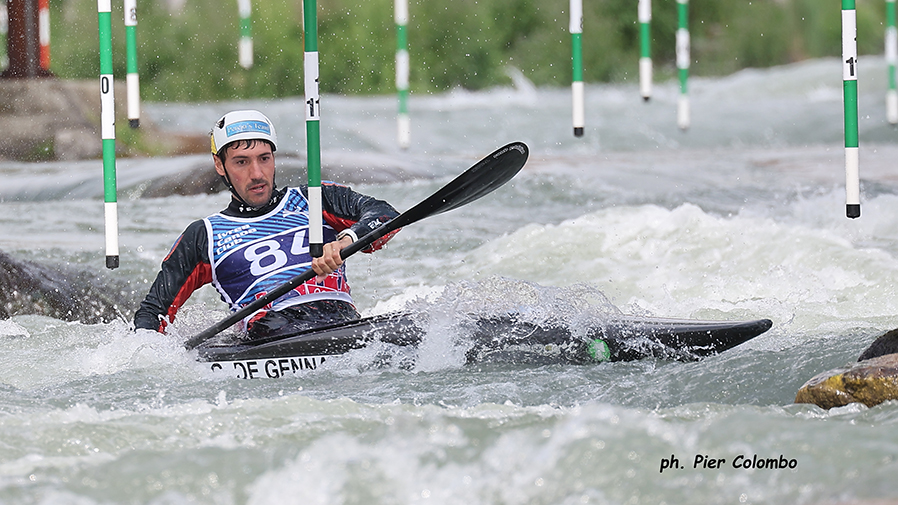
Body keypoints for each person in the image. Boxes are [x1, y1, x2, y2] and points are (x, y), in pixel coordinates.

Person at [133, 110, 400, 339]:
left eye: (264, 158)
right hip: (271, 334)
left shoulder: (315, 199)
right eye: (241, 162)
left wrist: (346, 241)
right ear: (219, 165)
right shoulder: (204, 235)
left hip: (342, 323)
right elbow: (153, 312)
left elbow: (385, 215)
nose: (257, 174)